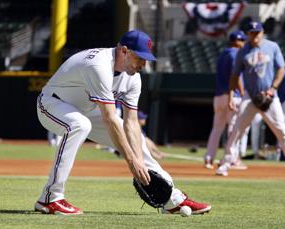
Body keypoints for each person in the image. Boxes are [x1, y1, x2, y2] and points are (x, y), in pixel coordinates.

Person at [35, 29, 211, 215]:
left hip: (86, 109)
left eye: (146, 59)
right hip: (52, 103)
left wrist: (139, 159)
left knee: (138, 141)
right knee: (79, 125)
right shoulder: (99, 65)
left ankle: (172, 199)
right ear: (124, 51)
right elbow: (110, 119)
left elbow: (132, 123)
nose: (143, 64)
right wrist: (131, 161)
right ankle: (50, 198)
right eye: (140, 58)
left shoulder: (133, 78)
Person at [215, 21, 285, 177]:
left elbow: (281, 70)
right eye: (251, 32)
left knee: (282, 131)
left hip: (270, 97)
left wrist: (272, 89)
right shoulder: (243, 51)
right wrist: (231, 95)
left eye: (257, 32)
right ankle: (225, 164)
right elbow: (235, 75)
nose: (254, 35)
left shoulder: (272, 47)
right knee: (236, 131)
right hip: (250, 97)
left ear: (262, 32)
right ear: (248, 34)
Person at [204, 30, 246, 169]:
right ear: (237, 41)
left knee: (217, 129)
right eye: (242, 41)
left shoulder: (223, 54)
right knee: (233, 128)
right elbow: (235, 76)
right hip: (231, 96)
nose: (244, 43)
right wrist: (241, 92)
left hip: (219, 96)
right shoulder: (235, 54)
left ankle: (209, 158)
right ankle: (232, 159)